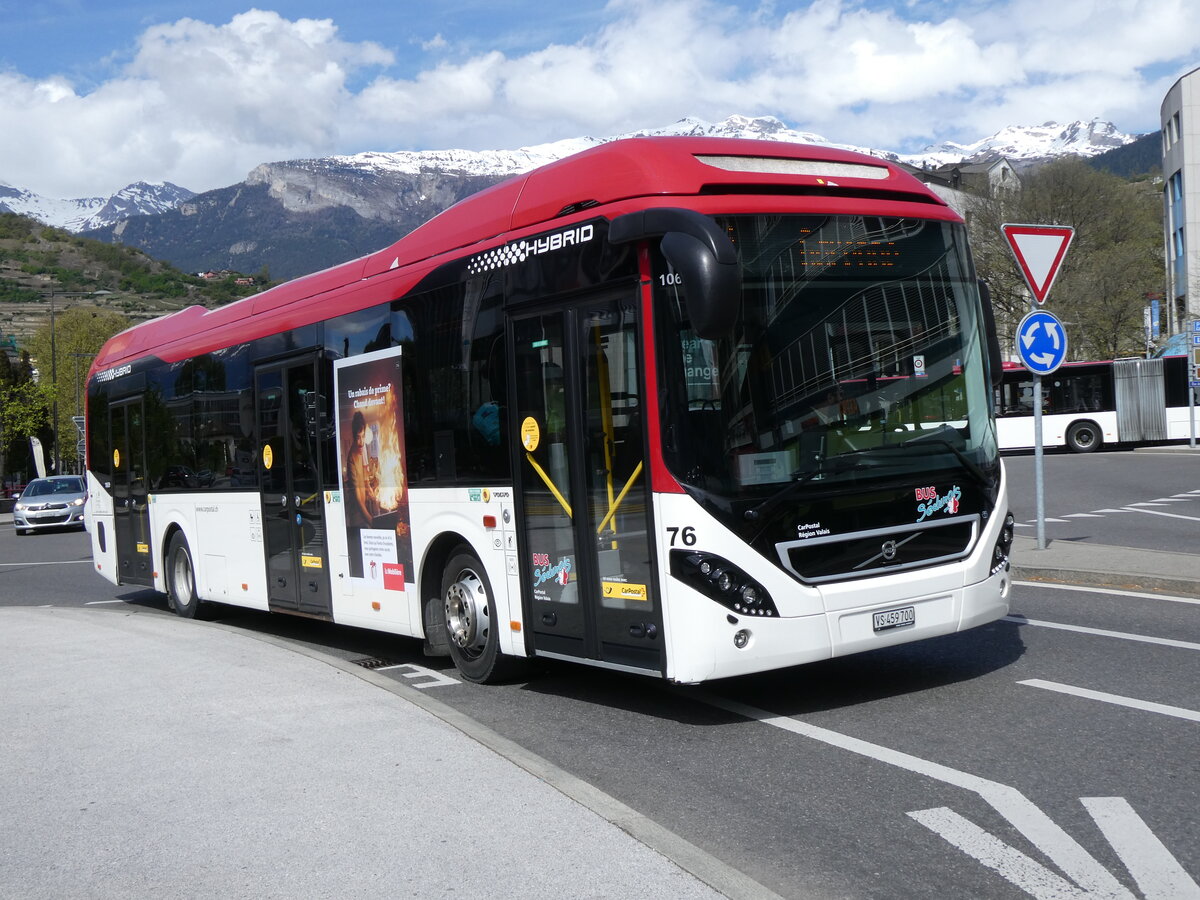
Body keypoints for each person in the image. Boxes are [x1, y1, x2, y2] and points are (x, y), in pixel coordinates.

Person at [345, 411, 373, 529]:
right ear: (353, 435)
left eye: (363, 437)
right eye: (358, 437)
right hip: (357, 516)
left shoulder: (363, 450)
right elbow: (357, 498)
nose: (361, 442)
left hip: (366, 510)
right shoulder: (351, 458)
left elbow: (365, 478)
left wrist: (370, 489)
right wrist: (372, 521)